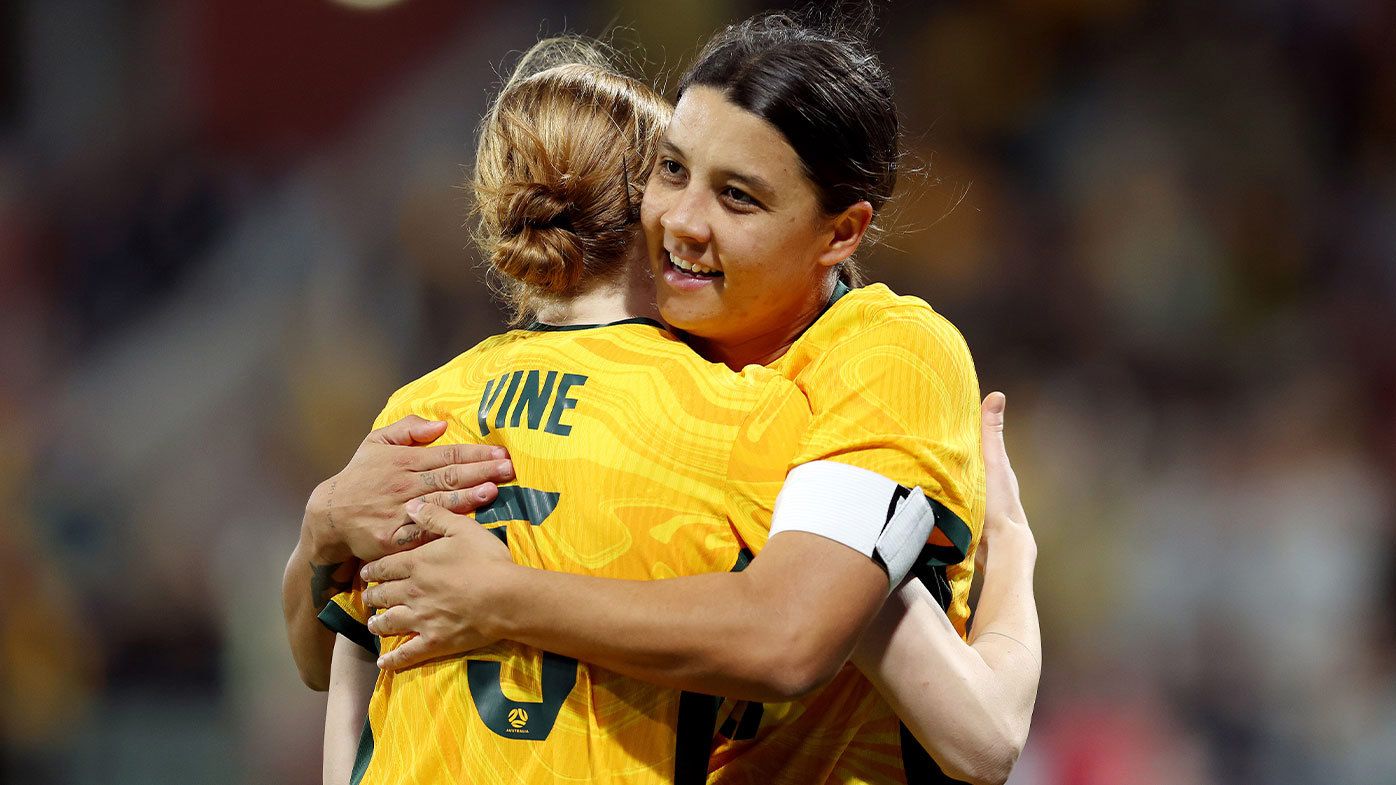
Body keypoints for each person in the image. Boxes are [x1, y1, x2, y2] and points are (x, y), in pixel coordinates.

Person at [304, 12, 1036, 785]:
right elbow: (347, 648)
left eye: (739, 198)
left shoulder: (881, 358)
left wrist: (1013, 547)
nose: (683, 222)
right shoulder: (661, 370)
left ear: (842, 232)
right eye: (674, 170)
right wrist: (322, 525)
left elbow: (946, 722)